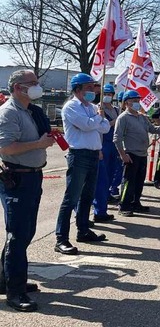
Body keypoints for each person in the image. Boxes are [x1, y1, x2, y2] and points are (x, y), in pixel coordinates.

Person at [0, 70, 56, 312]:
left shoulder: (31, 111)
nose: (36, 86)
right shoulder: (9, 113)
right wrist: (39, 144)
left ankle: (6, 279)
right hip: (17, 179)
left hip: (33, 177)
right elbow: (7, 148)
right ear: (17, 88)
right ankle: (15, 292)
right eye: (31, 83)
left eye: (36, 82)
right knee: (18, 234)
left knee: (24, 232)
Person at [55, 73, 111, 255]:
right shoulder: (71, 107)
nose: (92, 91)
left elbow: (106, 127)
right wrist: (97, 119)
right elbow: (87, 125)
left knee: (87, 195)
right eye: (88, 88)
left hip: (94, 154)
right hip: (78, 155)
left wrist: (96, 120)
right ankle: (61, 238)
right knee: (71, 197)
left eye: (93, 87)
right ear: (77, 89)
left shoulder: (92, 107)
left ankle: (83, 230)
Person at [113, 91, 160, 216]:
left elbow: (153, 129)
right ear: (126, 103)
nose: (136, 103)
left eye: (137, 100)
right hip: (131, 154)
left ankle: (136, 203)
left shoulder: (142, 117)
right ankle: (124, 205)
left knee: (139, 181)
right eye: (133, 100)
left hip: (142, 154)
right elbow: (117, 138)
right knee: (129, 181)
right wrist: (123, 154)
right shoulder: (123, 118)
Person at [92, 83, 120, 223]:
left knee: (111, 173)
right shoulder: (98, 109)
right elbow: (104, 126)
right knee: (100, 179)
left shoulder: (116, 109)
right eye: (106, 94)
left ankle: (107, 195)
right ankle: (97, 207)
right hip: (103, 144)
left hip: (114, 144)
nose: (108, 97)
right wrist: (116, 121)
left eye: (110, 94)